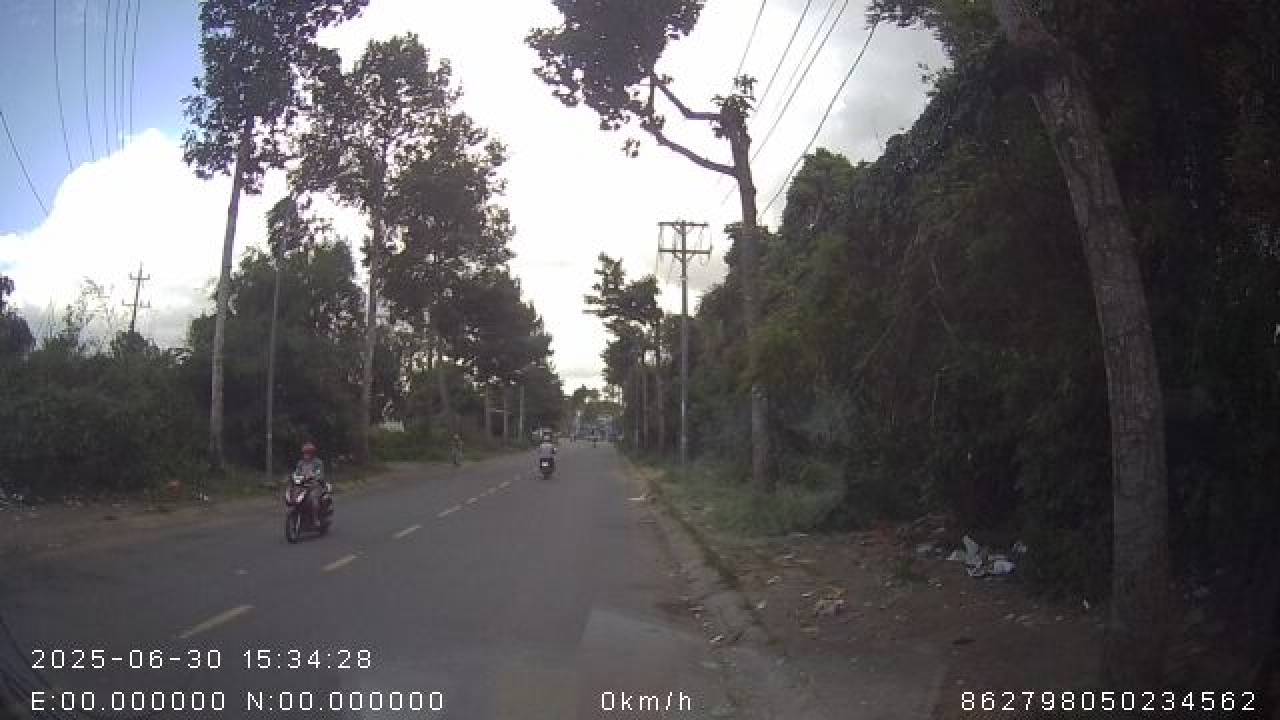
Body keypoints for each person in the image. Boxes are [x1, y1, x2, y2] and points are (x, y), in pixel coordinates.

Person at [295, 442, 331, 513]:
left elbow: (320, 474)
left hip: (315, 485)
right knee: (294, 495)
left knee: (313, 499)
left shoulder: (318, 462)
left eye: (308, 453)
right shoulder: (300, 463)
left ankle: (315, 517)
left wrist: (314, 476)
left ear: (312, 454)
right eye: (305, 453)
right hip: (302, 485)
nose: (306, 455)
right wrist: (294, 476)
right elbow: (297, 472)